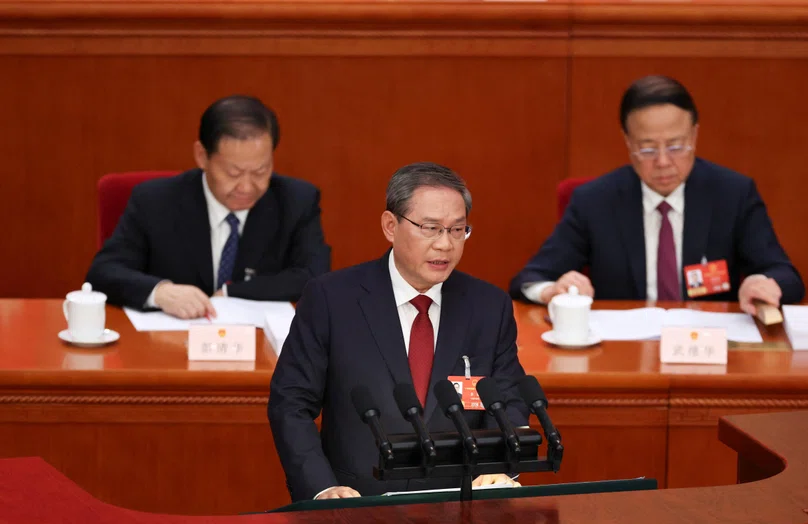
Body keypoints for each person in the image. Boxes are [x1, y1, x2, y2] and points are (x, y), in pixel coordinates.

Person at [268, 162, 525, 500]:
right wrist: (323, 487)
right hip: (355, 509)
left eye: (457, 230)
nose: (445, 245)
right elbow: (291, 403)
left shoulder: (489, 307)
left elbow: (510, 401)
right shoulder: (332, 299)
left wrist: (498, 466)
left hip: (459, 510)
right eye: (431, 228)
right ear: (391, 226)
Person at [509, 75, 803, 316]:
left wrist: (763, 283)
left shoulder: (732, 194)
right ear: (628, 143)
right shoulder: (595, 201)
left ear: (694, 137)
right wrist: (551, 290)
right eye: (648, 148)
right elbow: (528, 279)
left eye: (675, 146)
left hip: (708, 349)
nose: (663, 162)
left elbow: (786, 276)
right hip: (622, 355)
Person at [86, 95, 330, 317]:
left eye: (260, 171)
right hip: (168, 350)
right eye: (233, 173)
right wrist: (160, 293)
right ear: (202, 156)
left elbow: (314, 276)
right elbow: (104, 272)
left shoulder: (296, 200)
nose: (246, 187)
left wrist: (231, 293)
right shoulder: (155, 201)